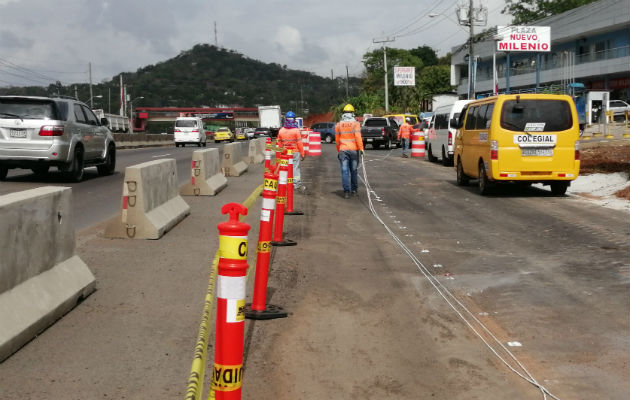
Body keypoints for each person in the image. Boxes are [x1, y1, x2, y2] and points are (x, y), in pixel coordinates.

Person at [335, 104, 364, 199]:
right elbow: (358, 137)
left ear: (343, 113)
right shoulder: (356, 124)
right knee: (354, 170)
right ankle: (354, 190)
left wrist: (338, 150)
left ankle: (346, 191)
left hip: (343, 150)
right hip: (354, 150)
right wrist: (361, 148)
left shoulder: (339, 124)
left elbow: (337, 140)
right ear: (352, 113)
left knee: (344, 171)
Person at [276, 111, 306, 191]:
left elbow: (279, 142)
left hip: (285, 153)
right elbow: (299, 143)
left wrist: (280, 151)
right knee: (295, 168)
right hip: (295, 152)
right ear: (294, 119)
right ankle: (296, 184)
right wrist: (302, 153)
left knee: (284, 168)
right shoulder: (296, 130)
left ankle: (283, 182)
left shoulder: (281, 130)